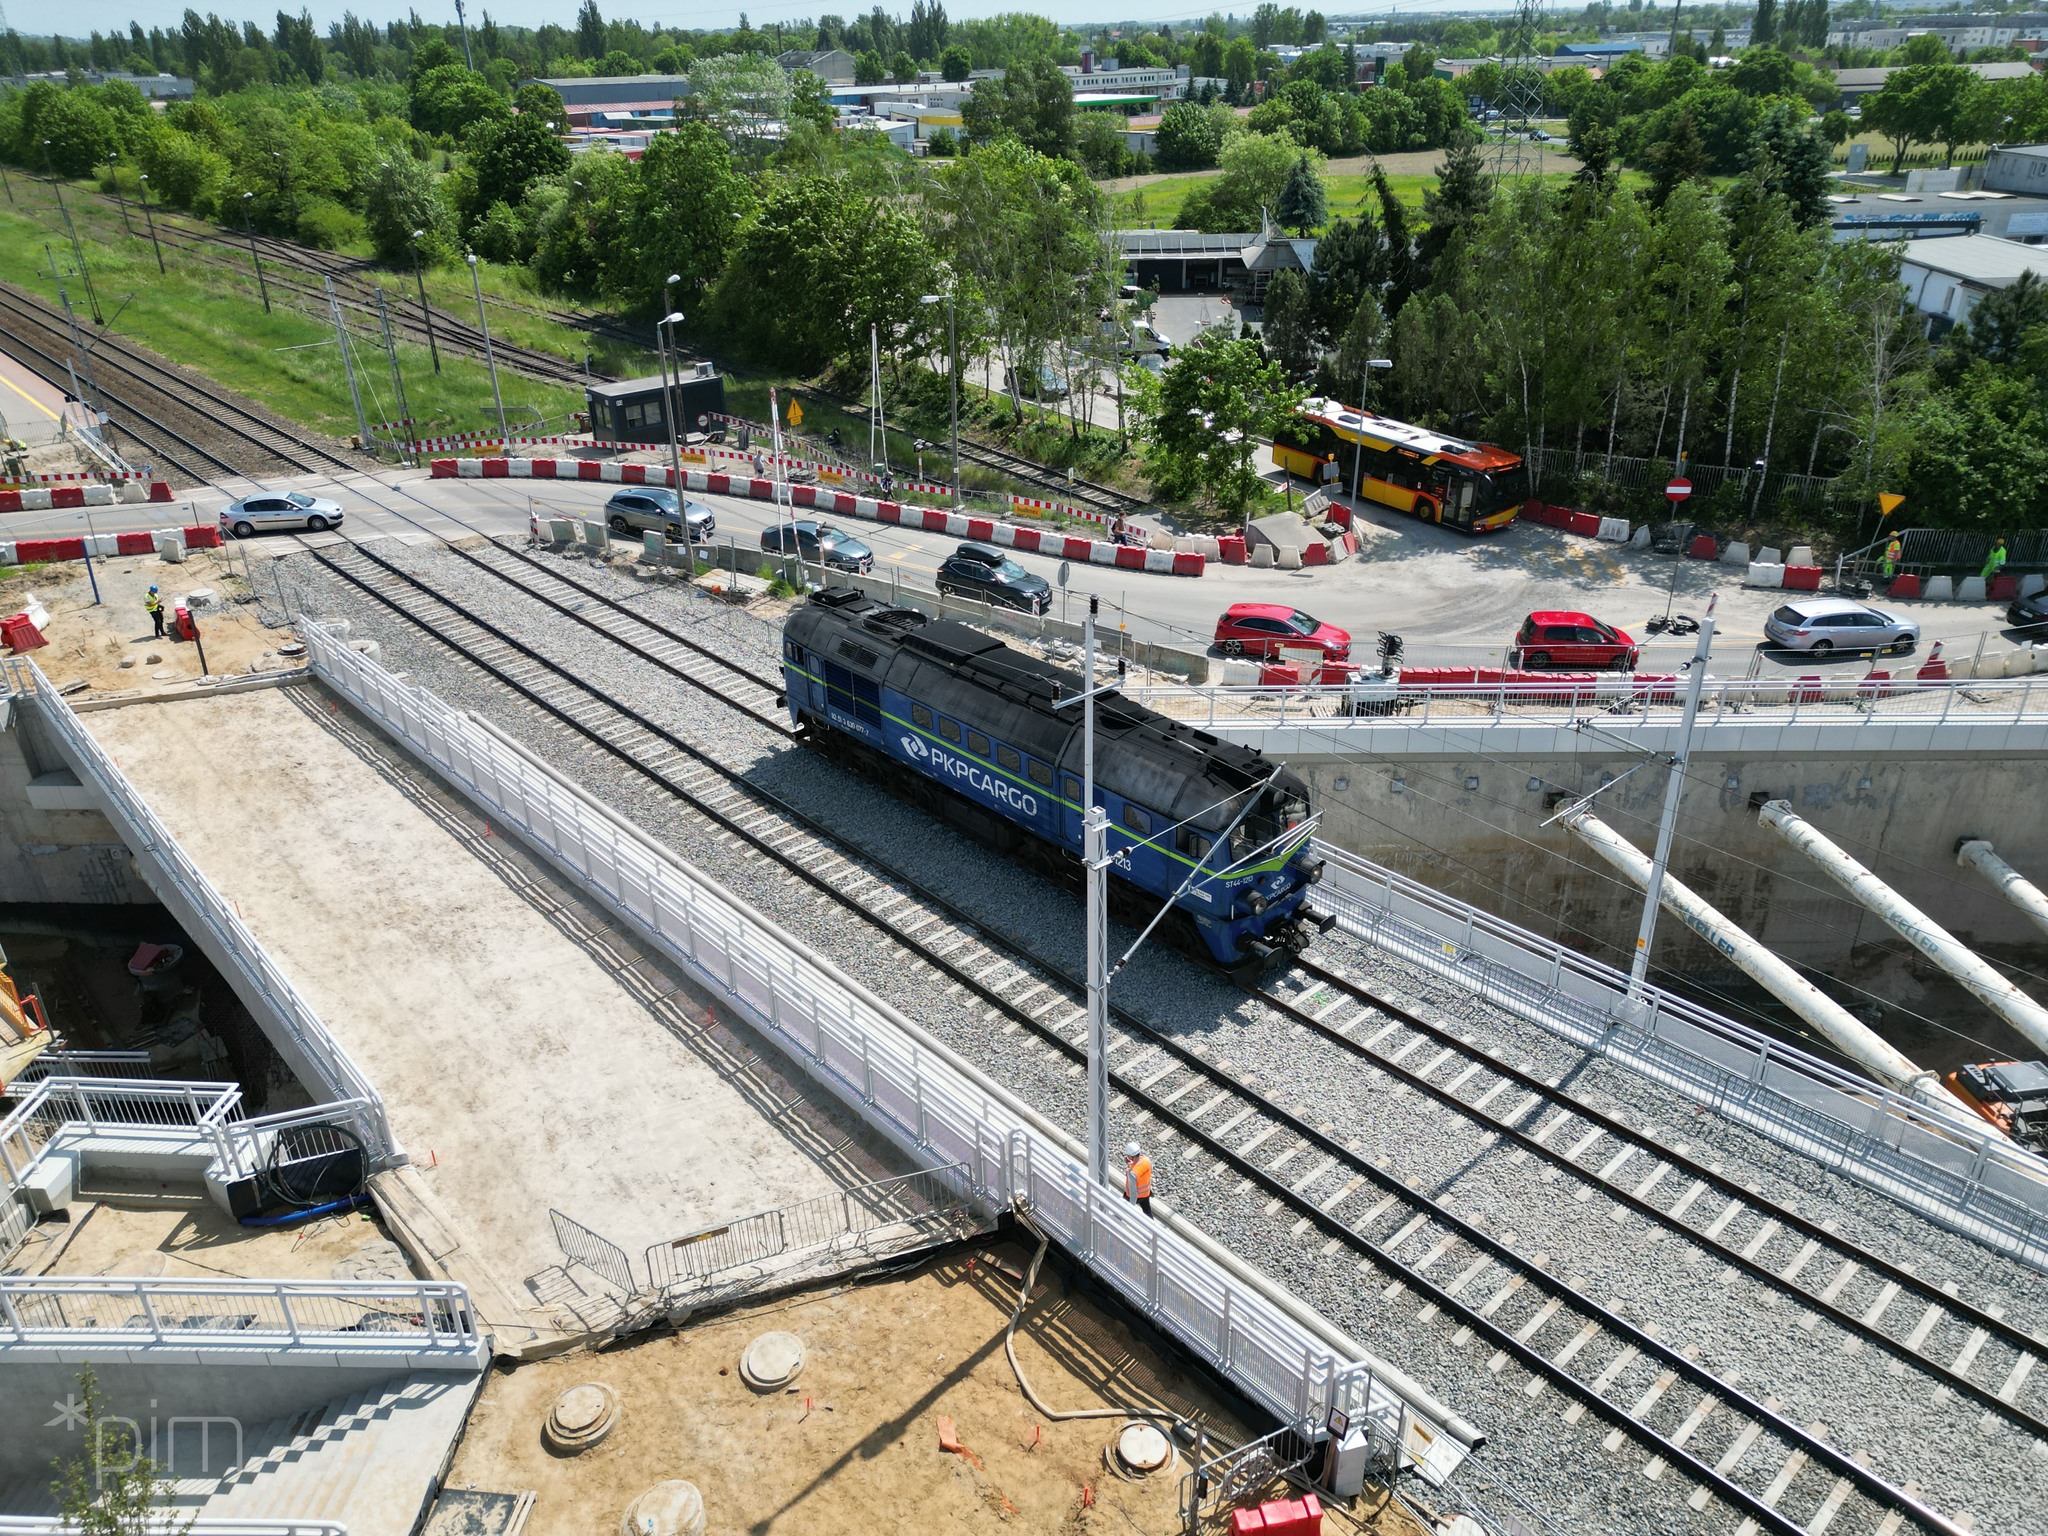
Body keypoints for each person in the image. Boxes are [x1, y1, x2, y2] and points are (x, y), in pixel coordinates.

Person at [1124, 1140, 1153, 1215]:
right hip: (1146, 1193)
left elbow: (1133, 1193)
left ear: (1131, 1156)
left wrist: (1131, 1206)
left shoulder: (1132, 1173)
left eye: (1128, 1155)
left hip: (1132, 1196)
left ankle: (1117, 1220)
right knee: (1147, 1212)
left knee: (1122, 1209)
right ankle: (1151, 1226)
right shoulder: (1147, 1160)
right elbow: (1146, 1174)